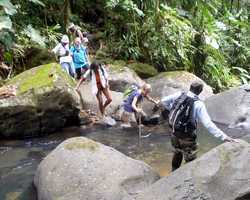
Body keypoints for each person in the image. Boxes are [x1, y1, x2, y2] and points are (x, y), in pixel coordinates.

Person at [161, 81, 236, 171]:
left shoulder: (180, 95)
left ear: (190, 87)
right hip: (187, 137)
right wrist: (224, 137)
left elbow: (163, 101)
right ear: (200, 90)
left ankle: (173, 173)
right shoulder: (198, 104)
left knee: (177, 152)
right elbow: (208, 124)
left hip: (174, 133)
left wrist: (172, 110)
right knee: (191, 160)